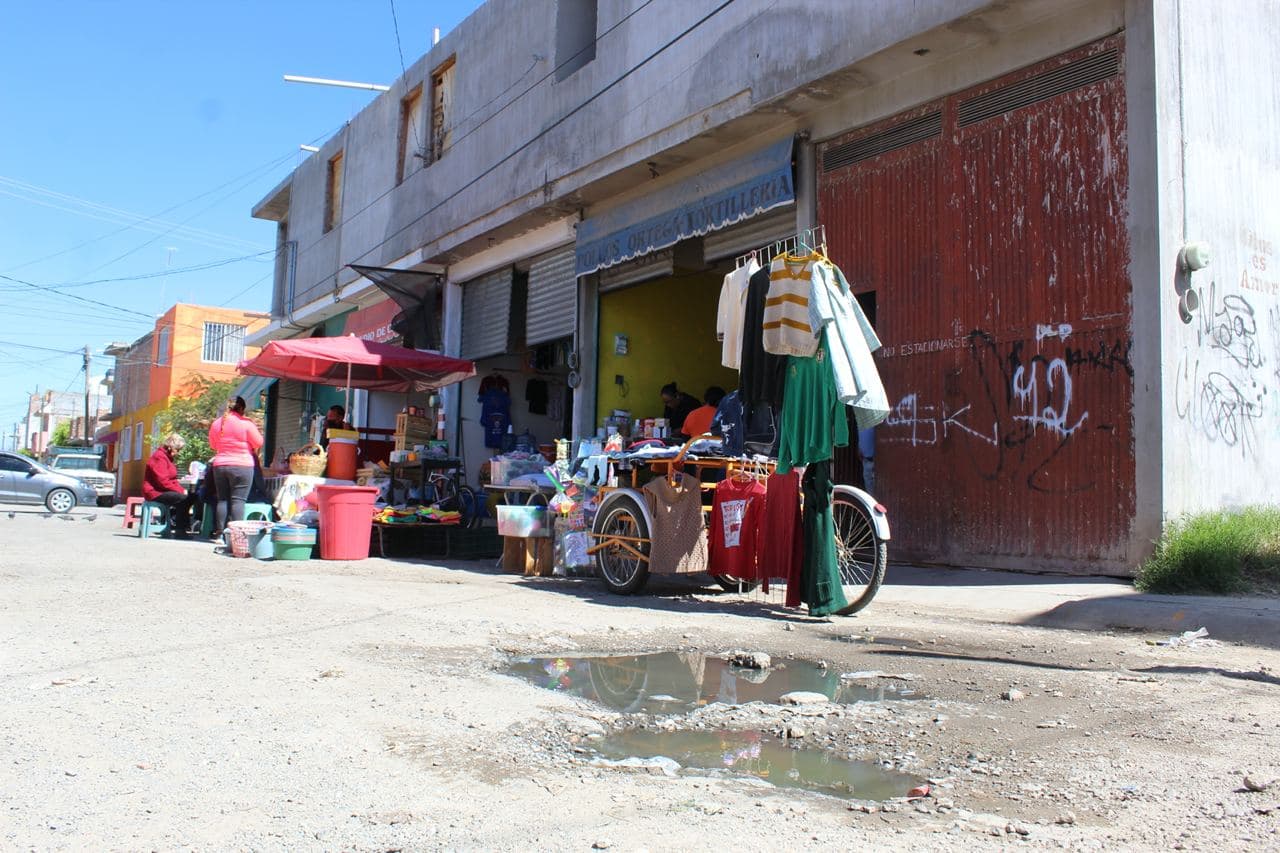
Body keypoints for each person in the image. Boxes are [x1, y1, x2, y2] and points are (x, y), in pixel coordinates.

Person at [208, 396, 264, 537]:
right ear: (242, 408)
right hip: (242, 466)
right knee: (238, 501)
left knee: (222, 499)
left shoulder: (216, 424)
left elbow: (213, 445)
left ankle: (220, 533)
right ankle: (236, 534)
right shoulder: (246, 423)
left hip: (220, 465)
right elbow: (258, 442)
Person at [143, 434, 194, 538]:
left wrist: (181, 489)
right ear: (171, 447)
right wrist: (180, 491)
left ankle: (177, 524)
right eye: (178, 449)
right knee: (183, 498)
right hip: (154, 492)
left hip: (163, 490)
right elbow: (162, 481)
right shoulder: (159, 457)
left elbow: (173, 479)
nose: (178, 452)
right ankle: (180, 530)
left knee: (192, 496)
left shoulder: (167, 458)